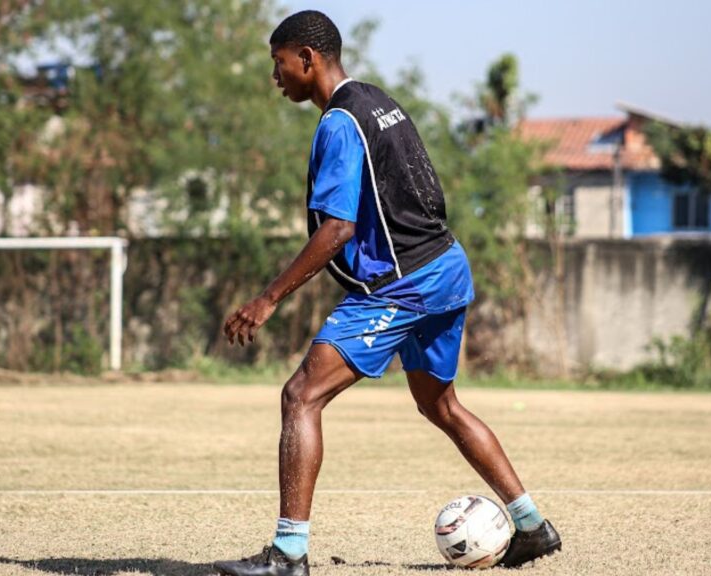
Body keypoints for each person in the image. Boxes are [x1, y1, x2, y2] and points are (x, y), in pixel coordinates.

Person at [215, 11, 560, 575]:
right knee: (440, 404)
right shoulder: (377, 99)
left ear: (308, 58)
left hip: (405, 285)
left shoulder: (339, 123)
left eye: (279, 64)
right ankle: (531, 525)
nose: (275, 77)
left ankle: (289, 554)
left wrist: (268, 298)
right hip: (446, 265)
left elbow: (337, 229)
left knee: (301, 396)